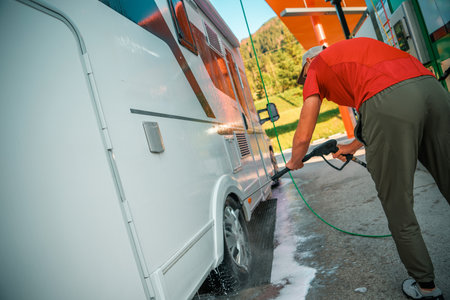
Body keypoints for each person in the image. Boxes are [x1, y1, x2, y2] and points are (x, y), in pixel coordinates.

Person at [286, 37, 449, 300]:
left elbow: (305, 133)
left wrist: (296, 159)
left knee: (397, 203)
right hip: (430, 87)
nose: (305, 83)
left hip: (393, 102)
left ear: (308, 62)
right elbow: (378, 94)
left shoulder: (316, 65)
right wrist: (351, 146)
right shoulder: (352, 51)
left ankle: (427, 288)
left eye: (303, 78)